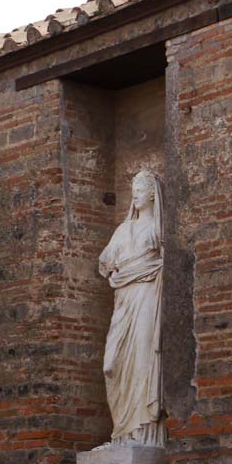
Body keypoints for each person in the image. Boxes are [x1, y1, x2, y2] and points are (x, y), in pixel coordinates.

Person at [97, 168, 165, 447]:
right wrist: (114, 267)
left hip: (147, 296)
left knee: (142, 359)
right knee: (111, 364)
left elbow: (167, 262)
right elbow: (104, 263)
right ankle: (122, 431)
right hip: (124, 300)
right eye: (133, 190)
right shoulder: (123, 230)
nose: (134, 195)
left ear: (151, 194)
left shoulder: (158, 229)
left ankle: (143, 433)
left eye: (139, 190)